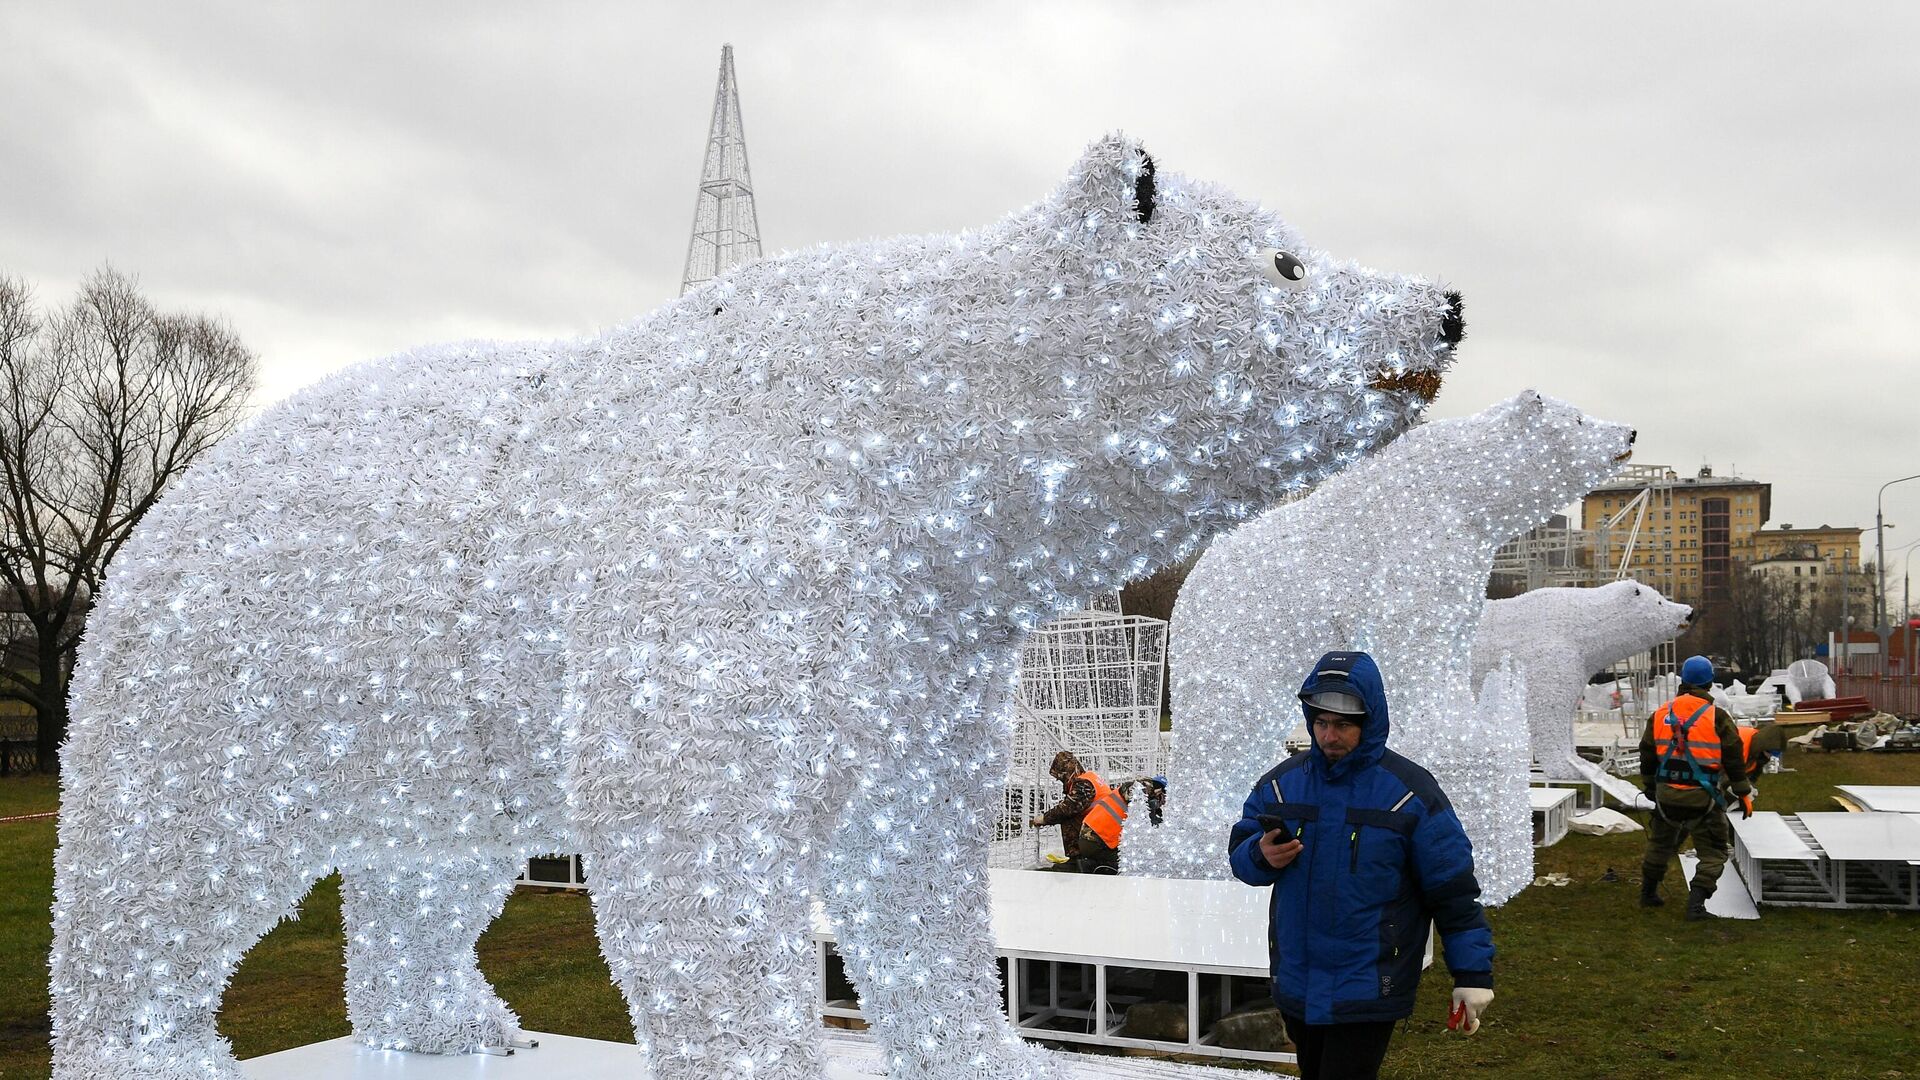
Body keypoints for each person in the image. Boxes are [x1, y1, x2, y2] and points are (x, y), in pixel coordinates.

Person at [1229, 651, 1495, 1080]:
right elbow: (1241, 854)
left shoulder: (1410, 793)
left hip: (1369, 982)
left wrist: (1472, 973)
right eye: (1320, 723)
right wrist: (1261, 855)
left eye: (1343, 725)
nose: (1329, 736)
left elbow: (1453, 892)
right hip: (1297, 978)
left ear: (1369, 722)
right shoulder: (1281, 784)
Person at [1639, 654, 1753, 920]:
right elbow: (1734, 757)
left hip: (1667, 796)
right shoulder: (1717, 717)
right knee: (1713, 851)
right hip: (1703, 799)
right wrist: (1744, 792)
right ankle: (1696, 905)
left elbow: (1646, 752)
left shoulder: (1660, 714)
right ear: (1710, 683)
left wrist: (1650, 788)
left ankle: (1648, 893)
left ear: (1682, 681)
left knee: (1660, 844)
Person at [1030, 750, 1128, 873]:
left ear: (1065, 772)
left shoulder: (1083, 784)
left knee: (1067, 818)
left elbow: (1067, 808)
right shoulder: (1091, 777)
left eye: (1059, 777)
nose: (1060, 781)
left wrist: (1044, 819)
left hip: (1103, 834)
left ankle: (1077, 860)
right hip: (1109, 828)